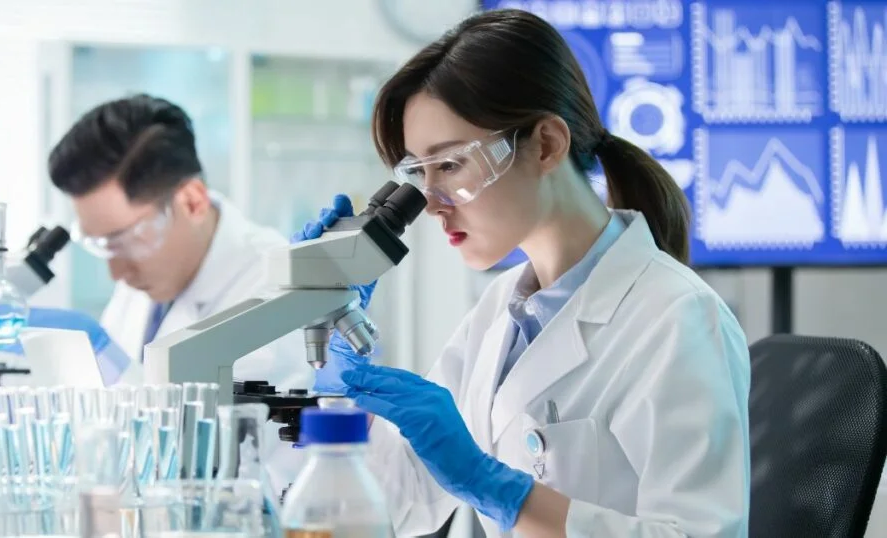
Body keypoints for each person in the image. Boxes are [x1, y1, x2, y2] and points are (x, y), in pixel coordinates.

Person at [295, 9, 750, 538]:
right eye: (417, 174)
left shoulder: (678, 317)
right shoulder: (500, 310)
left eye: (451, 165)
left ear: (546, 145)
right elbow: (399, 503)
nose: (432, 204)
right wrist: (346, 386)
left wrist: (498, 488)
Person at [0, 95, 315, 486]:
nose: (116, 271)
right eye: (103, 246)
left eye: (123, 240)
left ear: (192, 201)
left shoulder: (276, 290)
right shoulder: (150, 271)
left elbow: (227, 465)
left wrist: (106, 364)